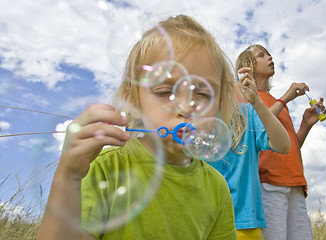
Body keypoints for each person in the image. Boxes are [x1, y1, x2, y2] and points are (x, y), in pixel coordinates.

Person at [37, 15, 247, 240]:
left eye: (203, 94)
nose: (186, 107)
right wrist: (67, 177)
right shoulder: (104, 168)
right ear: (133, 100)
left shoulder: (217, 189)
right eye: (165, 92)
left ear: (221, 104)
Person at [235, 44, 326, 240]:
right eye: (262, 55)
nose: (270, 58)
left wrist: (305, 124)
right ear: (248, 65)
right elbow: (254, 129)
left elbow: (287, 147)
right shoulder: (244, 95)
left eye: (269, 54)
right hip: (267, 183)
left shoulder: (278, 104)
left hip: (295, 183)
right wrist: (286, 98)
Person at [207, 66, 291, 240]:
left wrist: (256, 102)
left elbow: (283, 145)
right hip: (201, 222)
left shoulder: (246, 114)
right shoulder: (190, 121)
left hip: (244, 224)